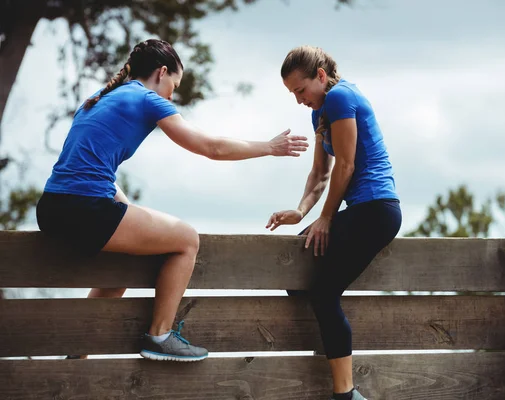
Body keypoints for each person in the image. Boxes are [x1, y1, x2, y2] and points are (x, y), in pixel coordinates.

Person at [36, 39, 309, 362]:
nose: (172, 95)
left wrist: (124, 208)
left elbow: (89, 173)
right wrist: (269, 147)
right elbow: (212, 148)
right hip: (84, 207)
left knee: (122, 264)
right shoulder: (147, 99)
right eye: (173, 85)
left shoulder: (98, 99)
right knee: (186, 239)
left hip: (52, 208)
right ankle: (160, 335)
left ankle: (75, 353)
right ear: (161, 72)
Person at [266, 45, 401, 400]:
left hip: (375, 210)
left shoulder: (341, 97)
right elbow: (320, 174)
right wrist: (301, 211)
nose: (299, 100)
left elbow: (346, 166)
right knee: (298, 279)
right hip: (361, 212)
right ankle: (337, 378)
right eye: (293, 94)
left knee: (323, 294)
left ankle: (345, 393)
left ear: (321, 77)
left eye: (301, 90)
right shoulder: (320, 113)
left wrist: (325, 218)